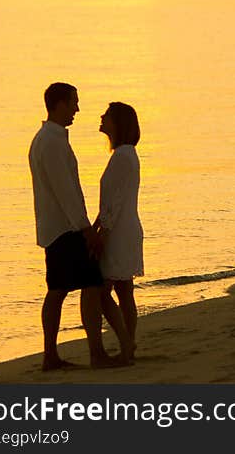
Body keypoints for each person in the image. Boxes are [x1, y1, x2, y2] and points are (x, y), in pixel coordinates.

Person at [28, 82, 133, 370]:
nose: (77, 108)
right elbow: (66, 192)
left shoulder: (49, 139)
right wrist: (87, 230)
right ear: (59, 103)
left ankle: (52, 355)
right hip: (66, 229)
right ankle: (94, 353)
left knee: (59, 288)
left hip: (56, 226)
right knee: (89, 285)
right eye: (74, 102)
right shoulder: (50, 141)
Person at [95, 102, 144, 355]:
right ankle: (129, 344)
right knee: (124, 291)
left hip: (119, 232)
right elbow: (114, 200)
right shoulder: (126, 154)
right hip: (125, 227)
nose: (102, 118)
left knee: (103, 293)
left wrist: (101, 232)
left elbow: (113, 203)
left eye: (107, 116)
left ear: (118, 123)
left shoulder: (123, 156)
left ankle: (126, 341)